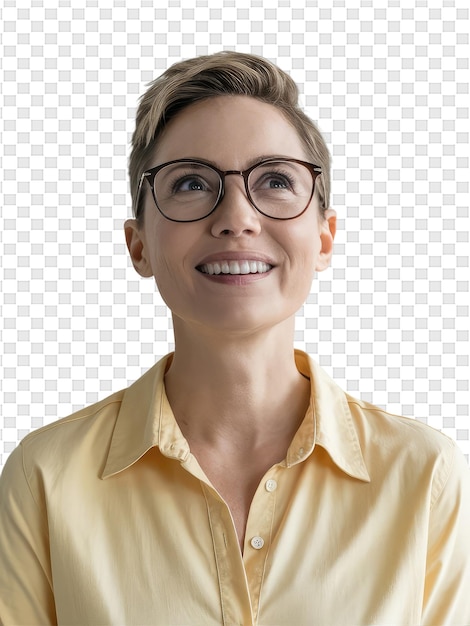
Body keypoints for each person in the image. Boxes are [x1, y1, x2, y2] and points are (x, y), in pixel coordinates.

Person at [1, 51, 469, 626]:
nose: (236, 217)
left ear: (324, 239)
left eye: (274, 180)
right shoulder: (45, 477)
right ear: (138, 245)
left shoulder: (424, 475)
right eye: (193, 183)